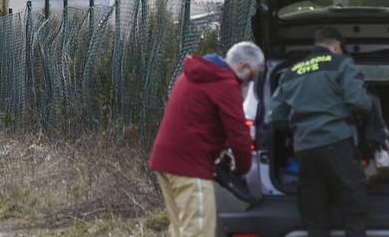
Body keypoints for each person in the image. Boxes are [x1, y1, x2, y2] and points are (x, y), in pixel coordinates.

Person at [149, 41, 265, 237]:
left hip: (164, 163)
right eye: (252, 76)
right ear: (243, 66)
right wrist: (242, 170)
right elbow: (239, 135)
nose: (248, 82)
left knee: (181, 230)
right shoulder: (225, 84)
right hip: (190, 168)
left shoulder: (192, 75)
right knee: (199, 231)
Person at [268, 27, 371, 237]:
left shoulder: (291, 72)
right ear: (335, 46)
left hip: (304, 147)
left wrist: (299, 128)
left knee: (314, 209)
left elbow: (276, 116)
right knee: (353, 200)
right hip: (336, 142)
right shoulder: (341, 63)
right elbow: (360, 103)